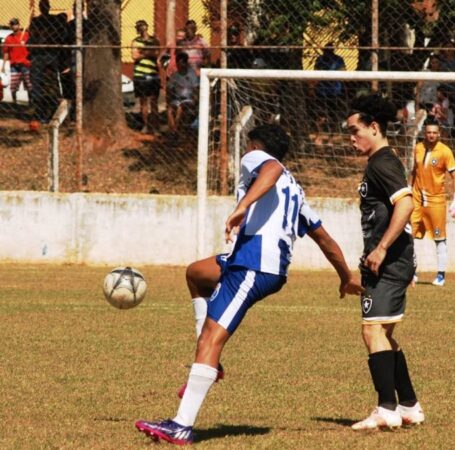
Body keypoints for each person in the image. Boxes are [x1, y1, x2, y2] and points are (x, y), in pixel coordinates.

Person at [135, 124, 363, 445]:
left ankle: (181, 424)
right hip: (252, 263)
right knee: (196, 274)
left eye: (248, 146)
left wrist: (241, 207)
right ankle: (211, 363)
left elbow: (270, 167)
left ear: (256, 145)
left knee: (212, 339)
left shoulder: (260, 160)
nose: (246, 152)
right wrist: (346, 277)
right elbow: (324, 238)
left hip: (254, 264)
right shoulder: (295, 190)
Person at [345, 94, 424, 430]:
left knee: (372, 330)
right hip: (391, 261)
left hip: (388, 262)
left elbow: (406, 204)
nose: (351, 138)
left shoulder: (382, 162)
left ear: (373, 127)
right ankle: (408, 405)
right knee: (384, 334)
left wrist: (381, 249)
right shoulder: (379, 161)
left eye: (354, 130)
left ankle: (386, 409)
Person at [410, 118, 455, 286]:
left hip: (436, 201)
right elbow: (414, 172)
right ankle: (412, 272)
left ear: (439, 134)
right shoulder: (417, 148)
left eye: (434, 132)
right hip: (417, 199)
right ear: (424, 133)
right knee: (408, 236)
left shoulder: (445, 151)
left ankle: (440, 275)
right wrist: (408, 191)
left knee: (440, 238)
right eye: (428, 132)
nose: (431, 135)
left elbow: (454, 176)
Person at [27, 0, 68, 131]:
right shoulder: (40, 21)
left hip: (46, 54)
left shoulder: (46, 21)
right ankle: (40, 115)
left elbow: (62, 21)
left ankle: (48, 115)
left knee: (48, 86)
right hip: (44, 55)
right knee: (40, 86)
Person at [131, 20, 161, 134]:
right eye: (139, 27)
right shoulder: (135, 41)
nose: (141, 29)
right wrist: (149, 52)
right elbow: (134, 56)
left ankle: (155, 127)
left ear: (147, 27)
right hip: (140, 74)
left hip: (153, 74)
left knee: (154, 101)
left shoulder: (154, 40)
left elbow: (156, 53)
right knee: (143, 102)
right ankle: (146, 125)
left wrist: (143, 52)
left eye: (143, 26)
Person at [310, 42, 346, 135]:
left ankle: (323, 133)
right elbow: (343, 73)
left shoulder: (323, 60)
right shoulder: (326, 60)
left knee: (326, 113)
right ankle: (327, 134)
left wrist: (312, 88)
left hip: (330, 90)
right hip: (328, 90)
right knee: (328, 113)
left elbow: (316, 75)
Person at [166, 52, 199, 133]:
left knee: (180, 108)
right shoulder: (175, 76)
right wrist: (169, 96)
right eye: (178, 64)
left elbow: (196, 88)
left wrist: (195, 99)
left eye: (182, 63)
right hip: (177, 98)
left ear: (185, 63)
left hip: (188, 99)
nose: (180, 66)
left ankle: (175, 130)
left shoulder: (191, 74)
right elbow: (169, 88)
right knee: (169, 110)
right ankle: (173, 129)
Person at [3, 18, 31, 105]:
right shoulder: (8, 38)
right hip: (14, 65)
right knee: (13, 87)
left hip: (26, 64)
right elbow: (6, 52)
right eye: (12, 24)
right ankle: (14, 103)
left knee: (29, 86)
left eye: (15, 24)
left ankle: (31, 102)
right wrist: (3, 65)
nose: (13, 26)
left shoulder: (26, 35)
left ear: (19, 25)